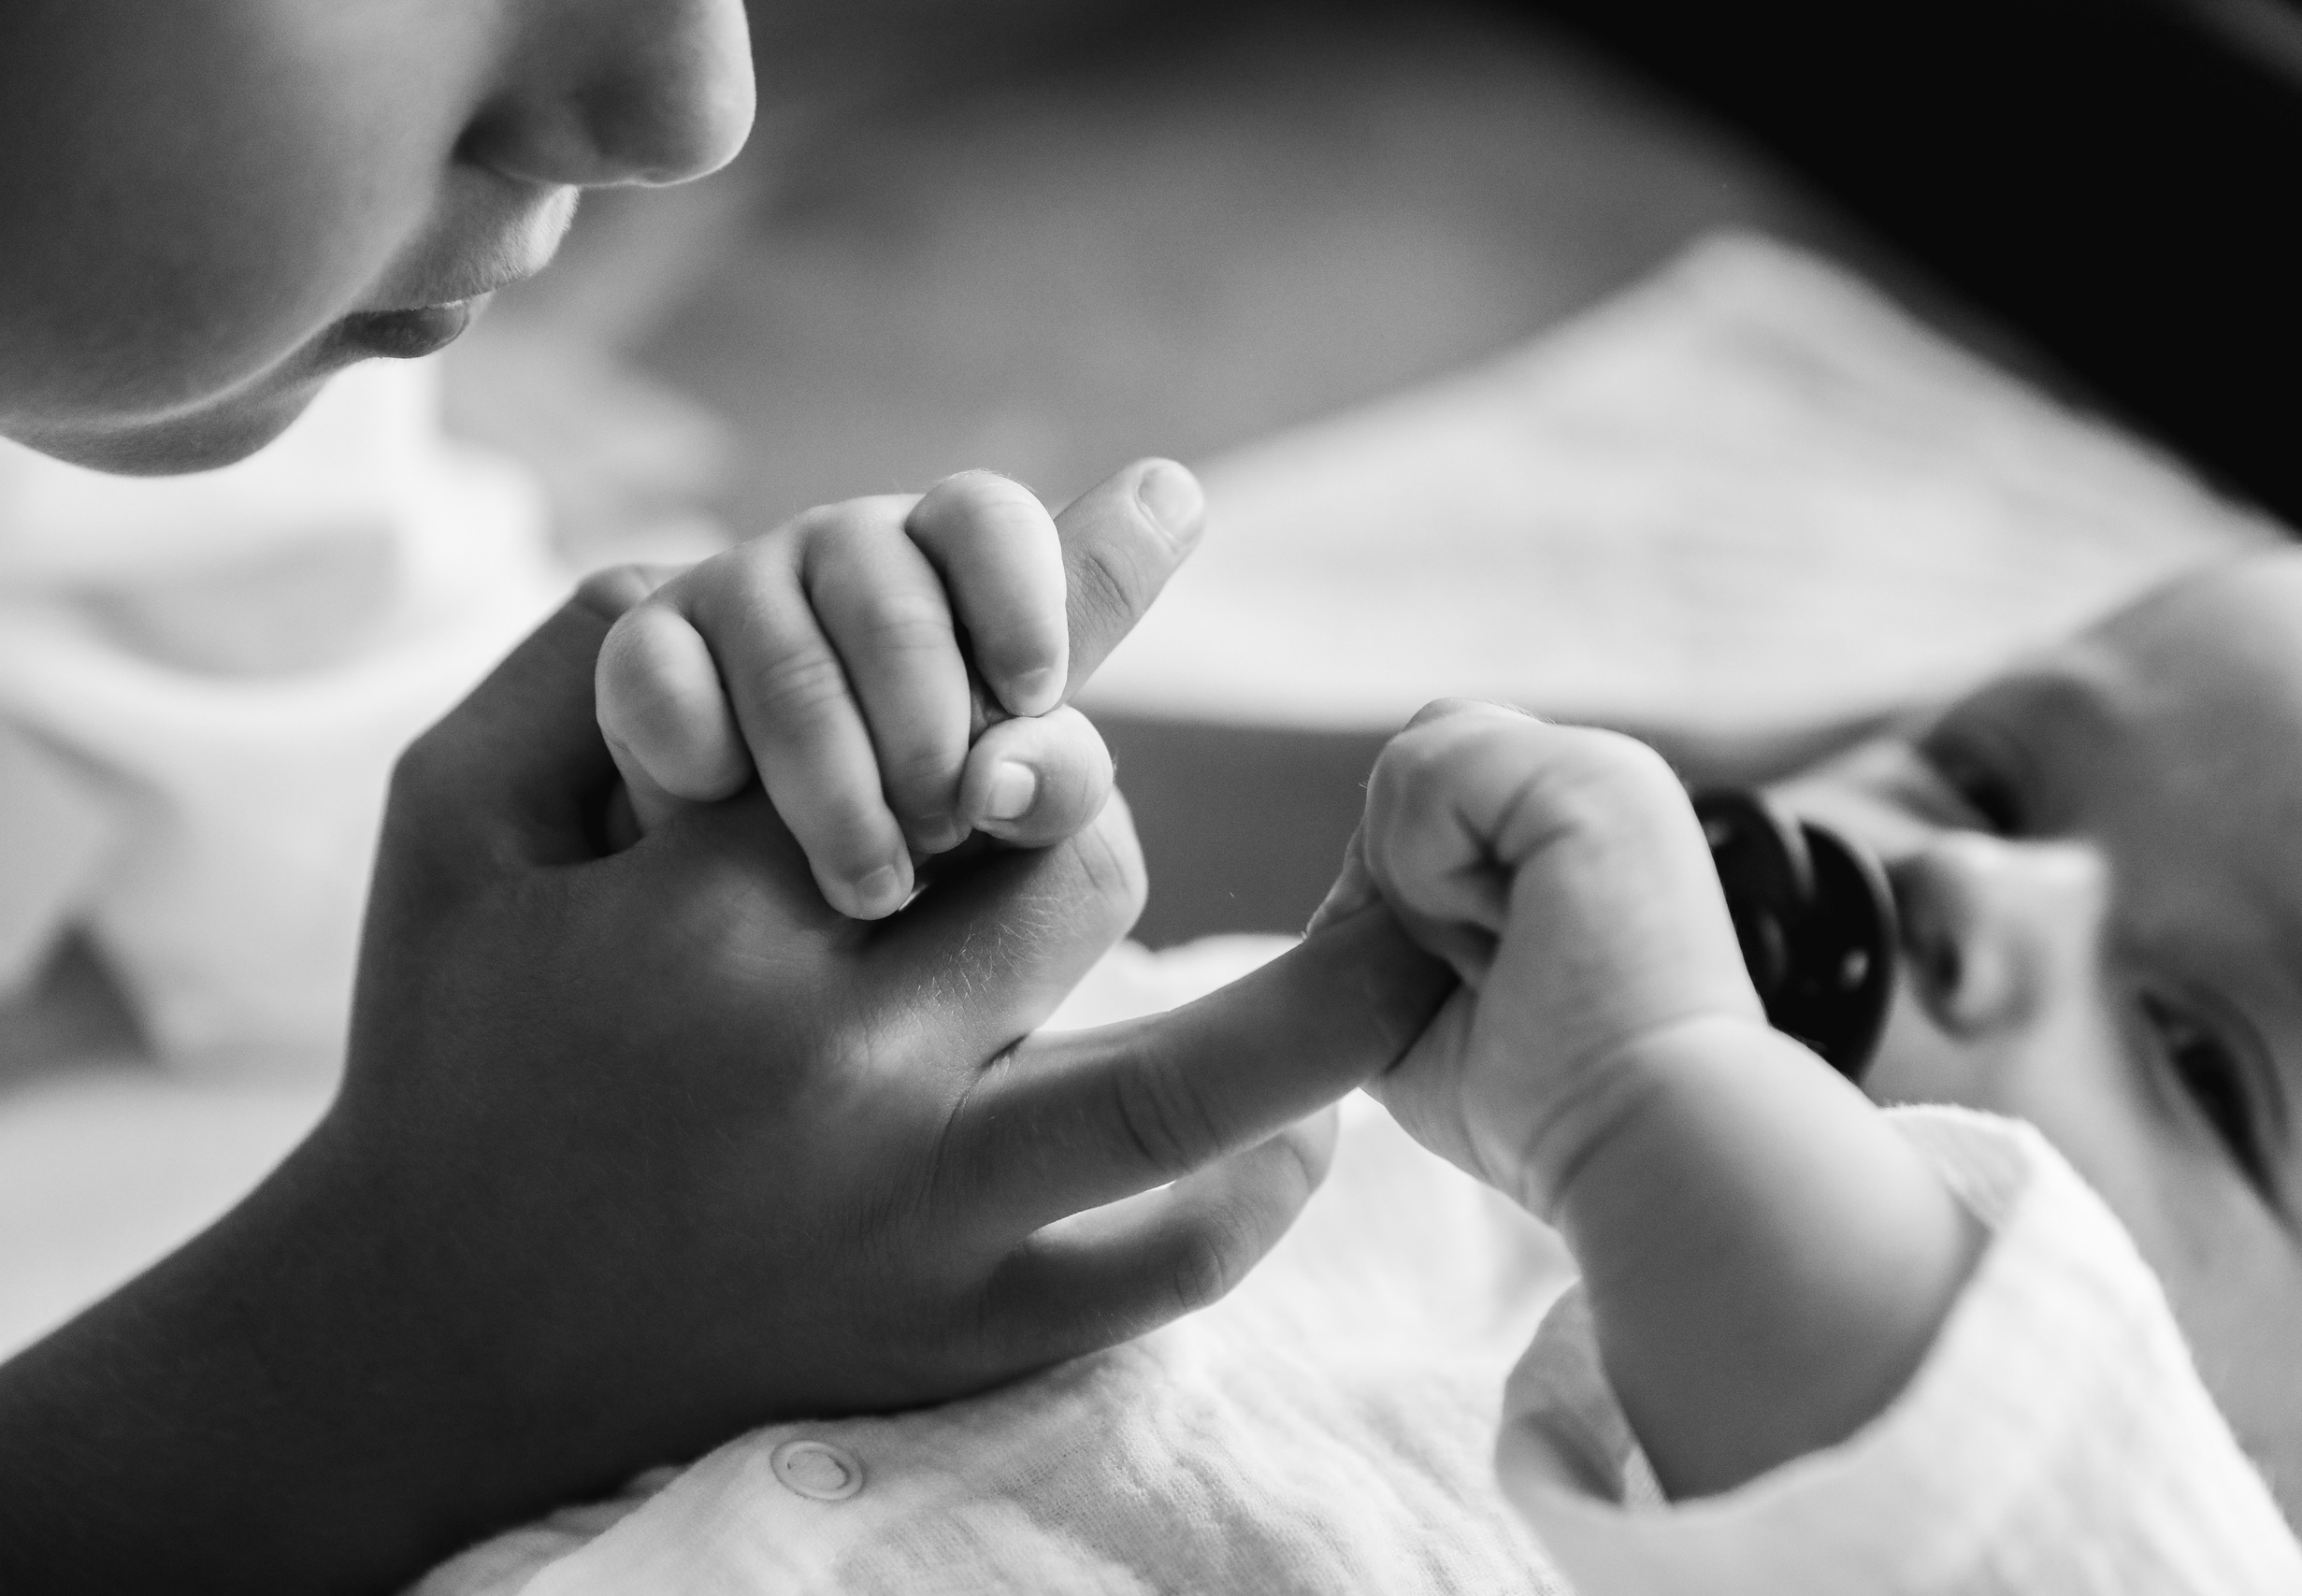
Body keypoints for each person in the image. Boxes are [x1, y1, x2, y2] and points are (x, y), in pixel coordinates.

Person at [0, 7, 1451, 1590]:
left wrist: (729, 767)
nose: (693, 107)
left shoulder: (169, 442)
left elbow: (360, 809)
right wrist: (407, 1333)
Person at [463, 469, 2302, 1585]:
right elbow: (618, 1237)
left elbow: (2018, 1498)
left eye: (2200, 1055)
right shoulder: (1292, 1057)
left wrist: (1647, 1104)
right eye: (1979, 773)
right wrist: (812, 818)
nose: (1974, 889)